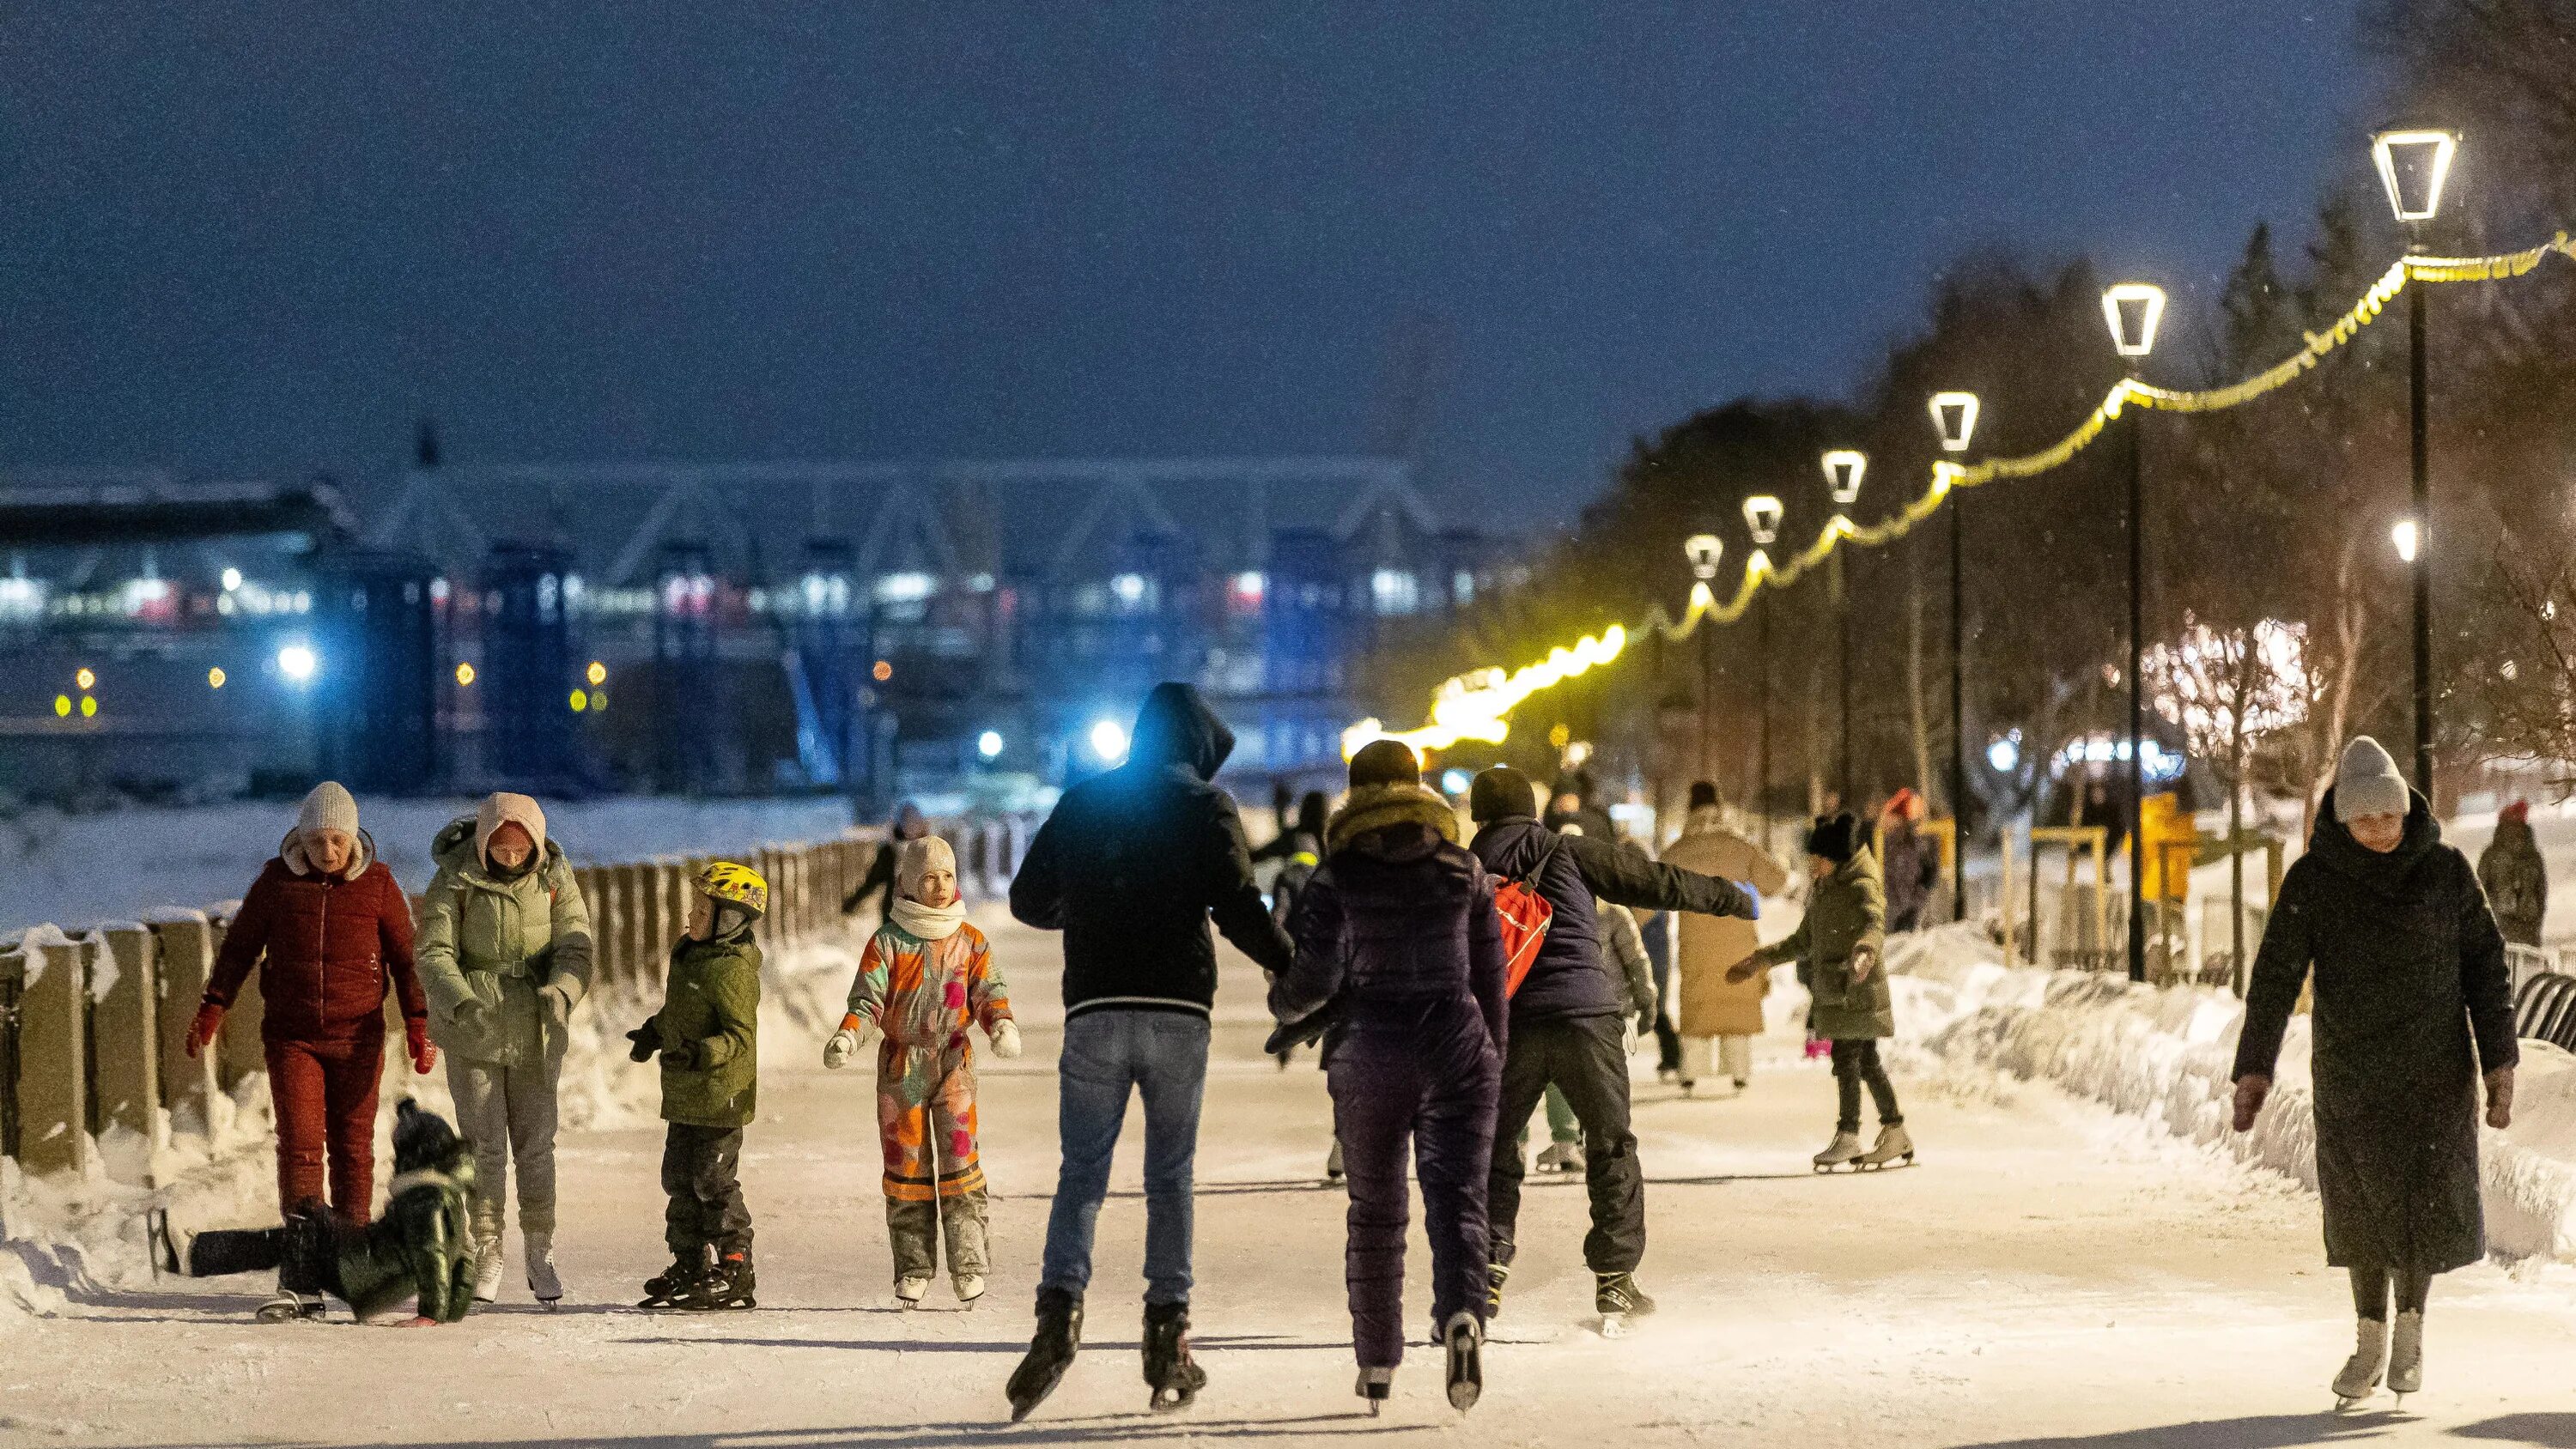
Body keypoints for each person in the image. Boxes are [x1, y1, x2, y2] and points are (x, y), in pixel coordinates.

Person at [1004, 682, 1296, 1419]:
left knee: (1082, 1175)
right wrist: (1293, 964)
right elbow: (1236, 903)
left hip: (1095, 1009)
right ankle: (1168, 1339)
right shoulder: (1206, 806)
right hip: (1176, 1011)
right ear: (1197, 747)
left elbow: (1027, 899)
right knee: (1170, 1177)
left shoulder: (1084, 801)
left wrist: (1095, 911)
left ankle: (1058, 1318)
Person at [2229, 737, 2517, 1408]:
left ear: (2403, 810)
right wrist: (2253, 1068)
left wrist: (2499, 1060)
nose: (2379, 832)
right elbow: (2275, 978)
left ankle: (2412, 1327)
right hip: (2353, 1075)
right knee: (2360, 1207)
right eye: (2364, 821)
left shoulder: (2446, 872)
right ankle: (2369, 1337)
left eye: (2387, 817)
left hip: (2433, 1070)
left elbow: (2485, 966)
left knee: (2421, 1203)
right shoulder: (2315, 881)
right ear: (2343, 820)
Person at [1467, 765, 1759, 1331]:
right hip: (1586, 1018)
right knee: (1610, 1146)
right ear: (1533, 811)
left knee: (1494, 1152)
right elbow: (1656, 882)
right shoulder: (1569, 853)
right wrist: (1731, 897)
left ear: (1479, 815)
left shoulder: (1464, 868)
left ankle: (1488, 1263)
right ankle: (1615, 1283)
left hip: (1509, 1026)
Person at [1270, 741, 1504, 1414]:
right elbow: (1490, 979)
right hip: (1457, 1040)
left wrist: (1283, 1004)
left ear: (1355, 794)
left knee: (1376, 1213)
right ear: (1418, 787)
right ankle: (1462, 1316)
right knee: (1459, 1196)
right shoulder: (1465, 869)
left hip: (1372, 1048)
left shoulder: (1339, 874)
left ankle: (1377, 1362)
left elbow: (1312, 980)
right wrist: (1492, 1056)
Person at [185, 781, 435, 1321]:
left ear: (354, 841)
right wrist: (213, 1007)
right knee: (300, 1145)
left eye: (338, 841)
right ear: (301, 839)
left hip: (359, 1036)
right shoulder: (276, 884)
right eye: (318, 840)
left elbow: (406, 960)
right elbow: (239, 950)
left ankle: (353, 1264)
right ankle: (301, 1274)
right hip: (293, 1036)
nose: (328, 851)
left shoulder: (378, 885)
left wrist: (418, 1024)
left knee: (353, 1149)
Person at [413, 791, 594, 1307]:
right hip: (476, 1027)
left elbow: (576, 943)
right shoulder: (456, 878)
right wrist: (461, 1001)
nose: (510, 858)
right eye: (501, 849)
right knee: (484, 1146)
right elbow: (433, 949)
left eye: (520, 850)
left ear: (536, 845)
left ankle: (540, 1247)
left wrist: (562, 989)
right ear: (484, 842)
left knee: (536, 1145)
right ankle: (487, 1247)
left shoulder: (556, 879)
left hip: (537, 1028)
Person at [824, 835, 1021, 1309]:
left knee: (960, 1161)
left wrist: (1002, 1023)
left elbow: (988, 991)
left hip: (954, 1061)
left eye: (947, 876)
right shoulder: (889, 943)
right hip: (902, 1068)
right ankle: (913, 1266)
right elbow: (868, 999)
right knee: (907, 1165)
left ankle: (969, 1264)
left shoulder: (970, 941)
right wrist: (850, 1034)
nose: (939, 886)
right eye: (928, 878)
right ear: (909, 885)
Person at [163, 1100, 478, 1325]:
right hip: (369, 1275)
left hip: (363, 1274)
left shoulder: (426, 1199)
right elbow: (464, 1262)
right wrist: (452, 1310)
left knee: (302, 1227)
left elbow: (432, 1253)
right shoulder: (449, 1200)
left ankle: (200, 1256)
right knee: (296, 1235)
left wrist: (430, 1314)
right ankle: (195, 1255)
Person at [1730, 814, 1905, 1170]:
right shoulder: (1826, 890)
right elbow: (1803, 940)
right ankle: (1895, 1130)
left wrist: (1865, 951)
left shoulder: (1860, 884)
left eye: (1817, 860)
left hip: (1855, 990)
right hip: (1840, 992)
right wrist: (1759, 960)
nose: (1812, 866)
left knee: (1847, 1059)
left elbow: (1875, 921)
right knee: (1866, 1062)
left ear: (1835, 858)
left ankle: (1849, 1134)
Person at [629, 862, 766, 1312]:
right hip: (687, 1095)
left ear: (729, 920)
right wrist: (654, 1033)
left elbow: (740, 1036)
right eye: (693, 908)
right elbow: (679, 1013)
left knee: (713, 1181)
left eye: (702, 911)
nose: (690, 918)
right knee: (678, 1180)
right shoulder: (690, 955)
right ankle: (689, 1261)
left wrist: (700, 1053)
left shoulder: (732, 970)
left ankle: (734, 1265)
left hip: (721, 1096)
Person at [1661, 782, 1789, 1095]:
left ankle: (1691, 1071)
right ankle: (1739, 1071)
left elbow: (1648, 891)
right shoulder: (1739, 845)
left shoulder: (1679, 850)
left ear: (1690, 809)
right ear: (1720, 808)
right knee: (1737, 1000)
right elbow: (1775, 882)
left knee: (1697, 1000)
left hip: (1697, 943)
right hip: (1738, 940)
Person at [842, 801, 931, 927]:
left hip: (923, 914)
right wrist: (851, 904)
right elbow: (873, 881)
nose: (911, 825)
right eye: (907, 821)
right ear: (900, 824)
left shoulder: (930, 850)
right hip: (893, 915)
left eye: (914, 821)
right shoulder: (889, 851)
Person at [2478, 799, 2548, 949]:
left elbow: (2479, 892)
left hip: (2502, 927)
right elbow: (2541, 895)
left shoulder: (2491, 855)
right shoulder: (2533, 856)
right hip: (2525, 927)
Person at [1877, 788, 1941, 934]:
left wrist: (1909, 908)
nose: (1884, 821)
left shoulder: (1900, 845)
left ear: (1898, 818)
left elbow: (1905, 880)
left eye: (1889, 816)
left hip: (1901, 915)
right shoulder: (1905, 843)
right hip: (1903, 913)